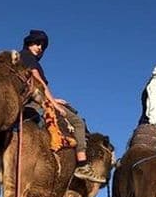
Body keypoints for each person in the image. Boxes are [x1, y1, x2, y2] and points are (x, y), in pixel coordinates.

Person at [19, 30, 105, 183]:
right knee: (78, 122)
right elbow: (38, 82)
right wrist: (53, 103)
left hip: (34, 100)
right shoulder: (27, 57)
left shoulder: (23, 58)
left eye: (43, 46)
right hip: (35, 102)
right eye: (37, 43)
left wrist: (55, 99)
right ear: (29, 43)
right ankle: (82, 165)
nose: (40, 48)